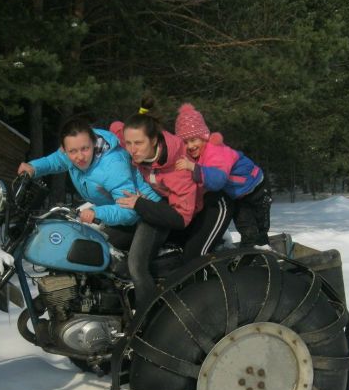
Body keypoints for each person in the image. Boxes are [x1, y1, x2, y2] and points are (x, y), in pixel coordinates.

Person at [113, 100, 232, 310]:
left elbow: (181, 217)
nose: (132, 149)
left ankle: (209, 308)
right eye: (128, 143)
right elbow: (115, 129)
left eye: (138, 143)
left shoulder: (178, 168)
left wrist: (139, 204)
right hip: (178, 204)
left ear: (154, 139)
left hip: (211, 205)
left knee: (194, 258)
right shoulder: (134, 144)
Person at [16, 116, 160, 250]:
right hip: (118, 214)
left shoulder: (112, 166)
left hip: (148, 212)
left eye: (85, 149)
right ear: (64, 150)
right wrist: (33, 167)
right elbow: (54, 161)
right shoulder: (69, 152)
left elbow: (129, 209)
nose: (79, 157)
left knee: (133, 266)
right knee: (89, 254)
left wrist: (96, 212)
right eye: (72, 151)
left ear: (94, 142)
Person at [174, 103, 271, 247]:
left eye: (193, 140)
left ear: (204, 137)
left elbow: (218, 179)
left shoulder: (215, 150)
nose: (190, 146)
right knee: (247, 228)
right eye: (185, 142)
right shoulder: (196, 157)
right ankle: (250, 250)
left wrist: (193, 168)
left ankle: (263, 253)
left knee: (260, 225)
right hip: (237, 195)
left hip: (256, 188)